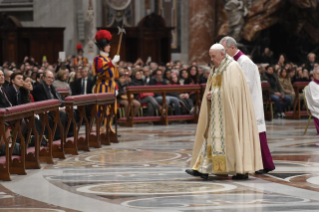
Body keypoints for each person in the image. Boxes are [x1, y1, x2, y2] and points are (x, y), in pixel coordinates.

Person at [186, 44, 263, 180]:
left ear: (222, 54)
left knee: (232, 138)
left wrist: (214, 94)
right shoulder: (216, 68)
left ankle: (240, 170)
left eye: (213, 56)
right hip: (218, 112)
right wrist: (211, 96)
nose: (211, 59)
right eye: (210, 56)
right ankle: (204, 169)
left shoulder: (232, 67)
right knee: (212, 138)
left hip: (231, 113)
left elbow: (234, 91)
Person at [220, 36, 275, 174]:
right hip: (239, 103)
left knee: (256, 132)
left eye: (224, 50)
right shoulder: (232, 61)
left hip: (249, 102)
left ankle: (265, 164)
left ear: (233, 48)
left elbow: (245, 85)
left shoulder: (245, 62)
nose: (223, 53)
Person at [92, 30, 120, 140]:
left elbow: (114, 76)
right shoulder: (98, 59)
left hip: (111, 87)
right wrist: (112, 63)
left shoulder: (108, 59)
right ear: (102, 47)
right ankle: (99, 128)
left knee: (111, 109)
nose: (109, 47)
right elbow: (99, 71)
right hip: (102, 87)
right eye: (107, 45)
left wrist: (116, 87)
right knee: (101, 109)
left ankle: (108, 127)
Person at [305, 67, 319, 134]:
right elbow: (315, 100)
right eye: (318, 74)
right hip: (316, 108)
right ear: (313, 75)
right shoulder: (312, 85)